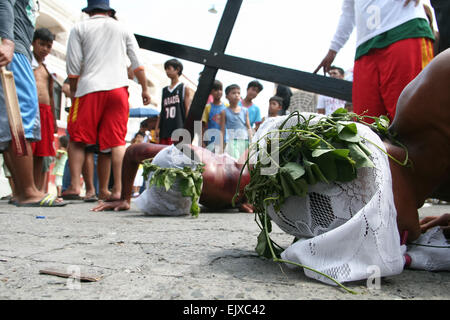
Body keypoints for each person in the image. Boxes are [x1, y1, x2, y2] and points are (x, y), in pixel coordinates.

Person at [93, 48, 450, 284]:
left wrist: (126, 196)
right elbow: (140, 151)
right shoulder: (231, 176)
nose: (212, 158)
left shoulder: (425, 101)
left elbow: (138, 151)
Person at [64, 0, 151, 202]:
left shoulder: (79, 27)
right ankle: (117, 190)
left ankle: (75, 186)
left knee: (77, 138)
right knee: (116, 142)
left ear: (89, 11)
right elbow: (137, 63)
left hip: (89, 88)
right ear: (109, 11)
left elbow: (73, 64)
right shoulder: (122, 28)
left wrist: (75, 90)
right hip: (118, 89)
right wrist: (145, 88)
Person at [314, 0, 435, 122]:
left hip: (404, 29)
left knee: (411, 117)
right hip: (365, 47)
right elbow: (348, 13)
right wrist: (333, 49)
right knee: (367, 123)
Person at [0, 0, 65, 207]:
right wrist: (8, 41)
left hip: (16, 48)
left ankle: (22, 190)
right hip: (15, 50)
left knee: (12, 122)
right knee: (19, 120)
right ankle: (27, 191)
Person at [30, 28, 57, 192]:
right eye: (42, 44)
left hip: (46, 112)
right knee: (27, 150)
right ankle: (23, 188)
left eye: (48, 46)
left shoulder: (48, 69)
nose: (45, 49)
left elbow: (51, 95)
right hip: (30, 110)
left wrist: (53, 119)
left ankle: (39, 189)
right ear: (33, 43)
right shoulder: (27, 63)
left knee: (42, 152)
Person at [155, 58, 193, 145]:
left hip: (178, 128)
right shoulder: (164, 90)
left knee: (175, 155)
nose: (167, 71)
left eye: (169, 68)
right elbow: (162, 110)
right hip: (165, 128)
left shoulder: (184, 87)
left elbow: (187, 109)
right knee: (164, 154)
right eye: (166, 69)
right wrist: (157, 127)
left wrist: (189, 128)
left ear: (177, 69)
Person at [220, 84, 252, 160]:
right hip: (232, 142)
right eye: (233, 93)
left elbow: (248, 126)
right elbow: (222, 130)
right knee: (234, 161)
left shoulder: (245, 110)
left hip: (244, 141)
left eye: (238, 93)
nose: (236, 95)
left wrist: (252, 140)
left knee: (244, 162)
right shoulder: (224, 112)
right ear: (227, 96)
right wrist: (222, 145)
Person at [201, 80, 226, 152]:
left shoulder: (227, 107)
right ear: (211, 92)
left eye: (220, 89)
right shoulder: (207, 107)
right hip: (210, 141)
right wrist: (202, 141)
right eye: (216, 90)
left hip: (223, 141)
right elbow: (203, 126)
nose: (219, 92)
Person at [52, 135, 69, 200]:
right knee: (60, 181)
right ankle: (59, 194)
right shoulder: (66, 150)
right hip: (62, 168)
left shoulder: (61, 150)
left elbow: (59, 157)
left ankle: (59, 195)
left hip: (59, 168)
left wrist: (54, 155)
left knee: (58, 181)